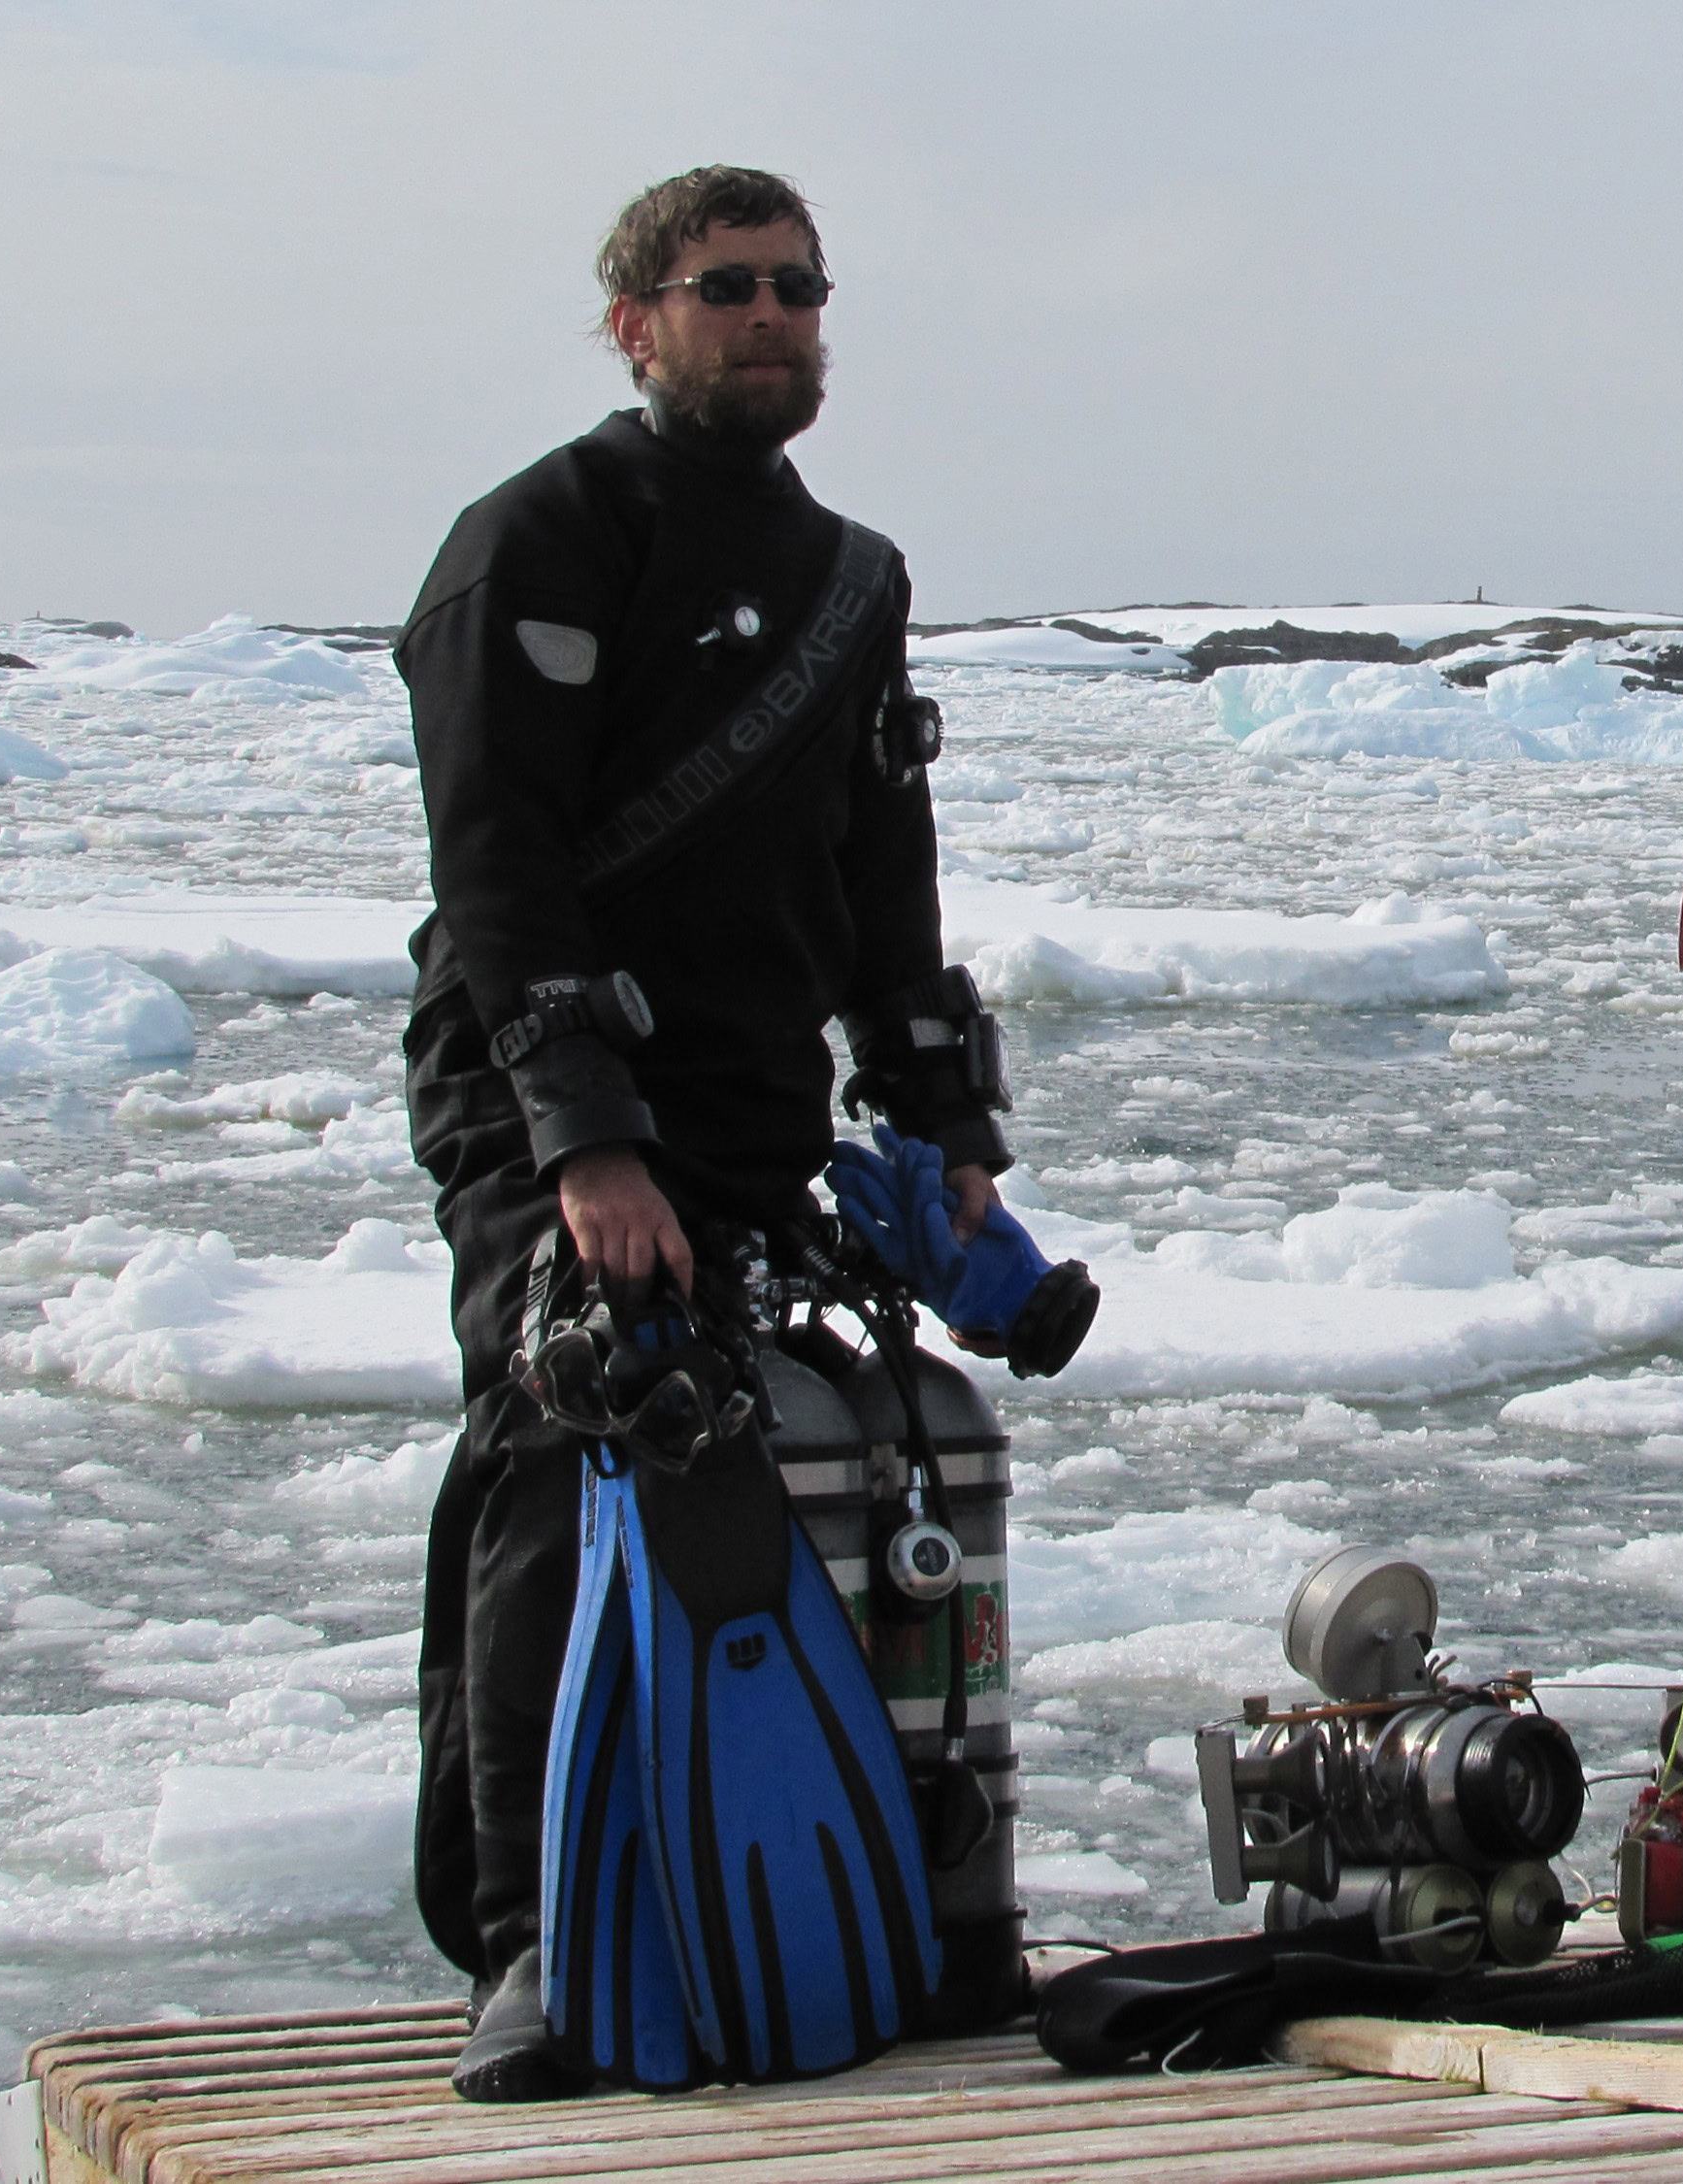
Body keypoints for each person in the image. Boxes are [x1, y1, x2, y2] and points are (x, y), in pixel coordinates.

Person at [399, 164, 1019, 2092]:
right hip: (542, 1091)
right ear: (634, 321)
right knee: (567, 1429)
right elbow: (497, 868)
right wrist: (584, 1146)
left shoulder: (852, 580)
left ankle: (854, 1904)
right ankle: (531, 1945)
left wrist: (940, 1117)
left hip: (751, 1091)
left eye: (798, 290)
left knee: (809, 1454)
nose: (770, 317)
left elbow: (878, 876)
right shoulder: (536, 541)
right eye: (727, 286)